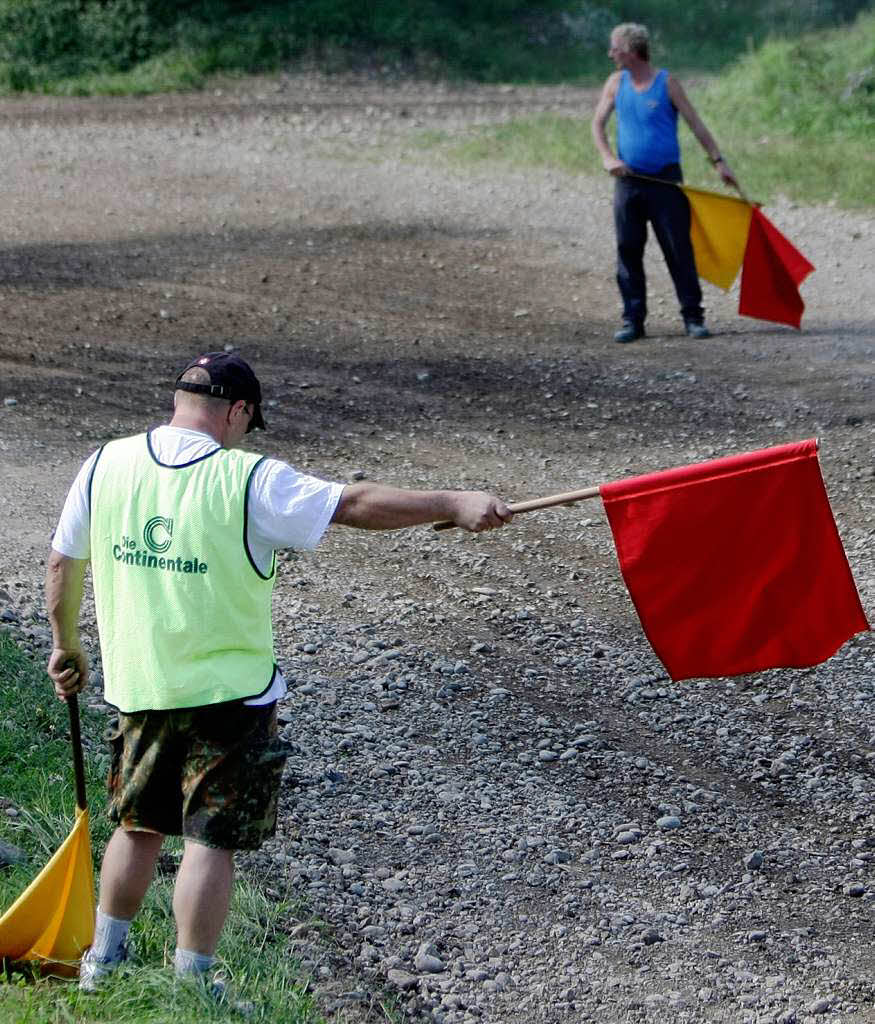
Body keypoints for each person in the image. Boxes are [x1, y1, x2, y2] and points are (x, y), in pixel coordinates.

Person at [46, 351, 511, 993]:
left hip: (141, 685)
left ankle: (102, 963)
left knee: (138, 824)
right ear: (237, 411)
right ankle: (192, 985)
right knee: (210, 839)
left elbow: (61, 565)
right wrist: (455, 501)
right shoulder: (248, 479)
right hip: (229, 697)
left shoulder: (104, 464)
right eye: (246, 420)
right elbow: (353, 504)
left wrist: (66, 645)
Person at [591, 22, 739, 343]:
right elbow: (597, 125)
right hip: (628, 183)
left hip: (666, 183)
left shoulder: (666, 82)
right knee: (628, 250)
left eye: (614, 47)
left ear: (630, 49)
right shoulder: (616, 83)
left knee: (678, 250)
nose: (610, 53)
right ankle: (633, 321)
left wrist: (719, 162)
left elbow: (695, 124)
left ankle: (693, 318)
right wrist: (608, 158)